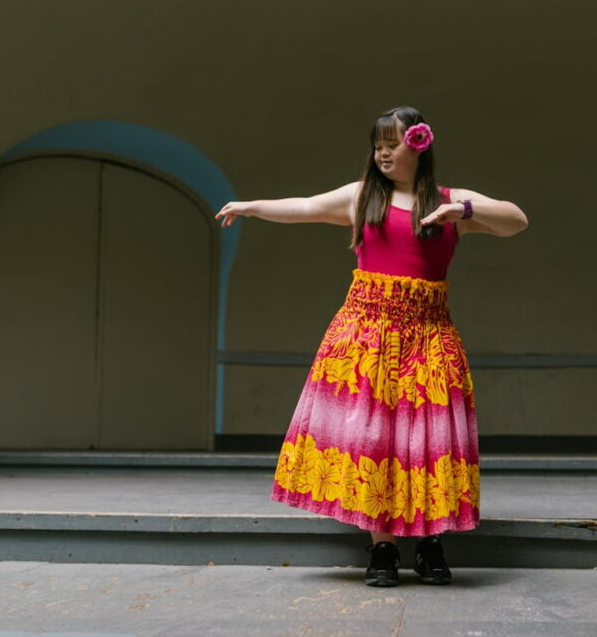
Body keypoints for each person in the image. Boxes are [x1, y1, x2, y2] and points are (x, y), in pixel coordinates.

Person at [216, 106, 528, 586]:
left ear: (419, 145)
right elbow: (303, 206)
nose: (383, 152)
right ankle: (381, 548)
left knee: (427, 440)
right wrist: (250, 206)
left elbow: (516, 220)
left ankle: (429, 543)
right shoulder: (362, 197)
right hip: (366, 335)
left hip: (428, 336)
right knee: (376, 440)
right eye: (378, 144)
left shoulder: (449, 201)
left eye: (393, 143)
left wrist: (462, 211)